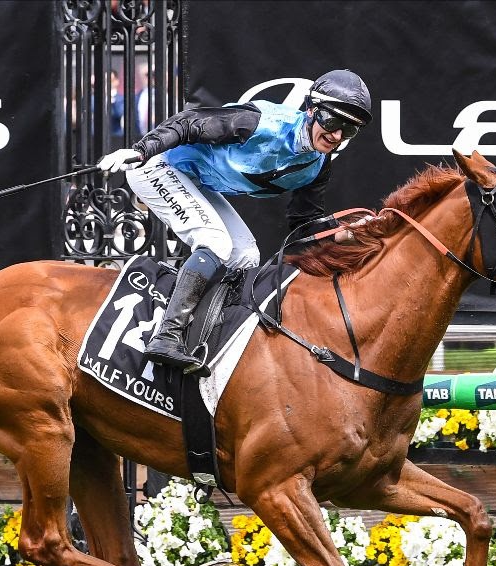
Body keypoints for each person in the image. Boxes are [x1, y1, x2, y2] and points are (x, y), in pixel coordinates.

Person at [98, 69, 372, 371]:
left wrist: (340, 234)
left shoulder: (318, 166)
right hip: (156, 166)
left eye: (348, 130)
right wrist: (140, 151)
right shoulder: (260, 123)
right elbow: (188, 123)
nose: (336, 136)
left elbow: (304, 221)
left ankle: (205, 336)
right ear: (311, 110)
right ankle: (167, 336)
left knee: (245, 255)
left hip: (192, 179)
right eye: (332, 122)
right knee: (215, 241)